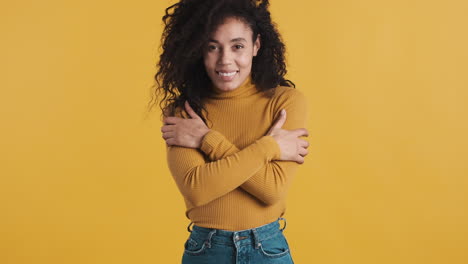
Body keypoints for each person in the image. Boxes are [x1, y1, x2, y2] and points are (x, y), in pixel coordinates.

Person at [150, 0, 309, 263]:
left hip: (268, 250)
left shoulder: (285, 102)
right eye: (212, 47)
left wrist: (205, 139)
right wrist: (270, 146)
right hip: (207, 250)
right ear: (198, 50)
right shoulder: (184, 113)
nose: (225, 60)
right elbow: (197, 189)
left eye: (238, 46)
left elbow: (271, 190)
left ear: (256, 45)